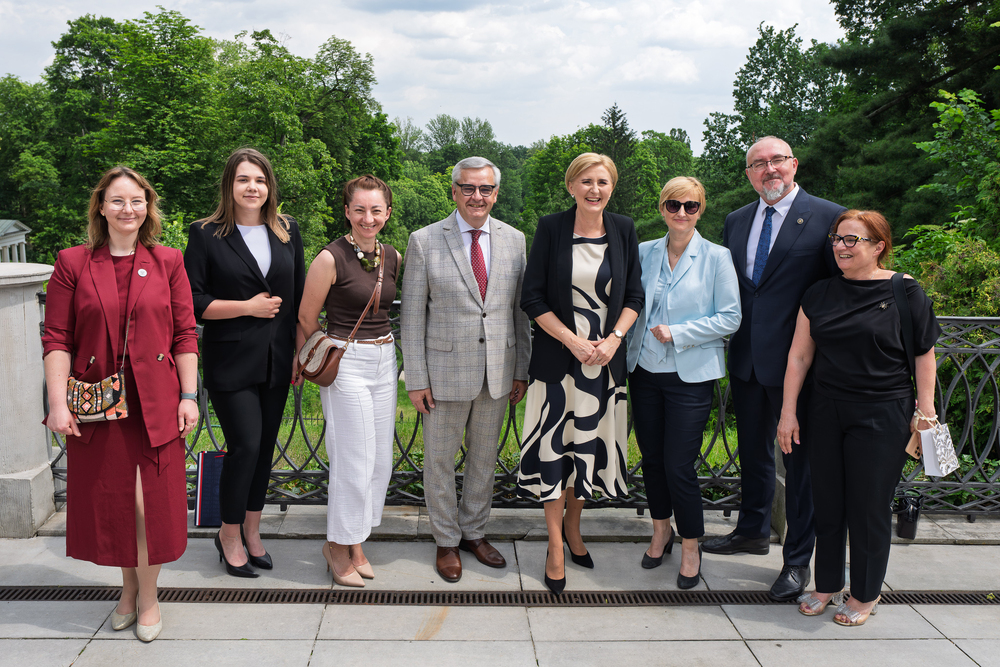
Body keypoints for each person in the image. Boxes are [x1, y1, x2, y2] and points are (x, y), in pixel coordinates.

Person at [43, 166, 199, 642]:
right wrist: (56, 403)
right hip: (100, 404)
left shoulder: (169, 260)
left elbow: (184, 333)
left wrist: (190, 395)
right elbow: (57, 338)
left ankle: (147, 597)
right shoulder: (73, 263)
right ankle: (128, 590)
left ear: (148, 208)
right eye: (117, 200)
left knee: (147, 503)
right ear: (101, 207)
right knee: (115, 503)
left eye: (137, 200)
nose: (128, 209)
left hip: (156, 402)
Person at [778, 210, 940, 625]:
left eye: (852, 240)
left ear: (878, 246)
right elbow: (799, 356)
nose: (840, 247)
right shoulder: (818, 293)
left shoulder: (905, 291)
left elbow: (924, 354)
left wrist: (926, 411)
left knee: (868, 507)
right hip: (826, 410)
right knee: (827, 503)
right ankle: (827, 584)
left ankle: (865, 594)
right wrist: (788, 412)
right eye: (837, 239)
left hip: (884, 412)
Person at [704, 136, 845, 602]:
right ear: (748, 174)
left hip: (800, 370)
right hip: (745, 359)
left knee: (799, 467)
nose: (769, 170)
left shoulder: (829, 217)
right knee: (755, 454)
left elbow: (840, 292)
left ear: (793, 164)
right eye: (758, 164)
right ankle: (751, 531)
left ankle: (797, 561)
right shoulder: (736, 220)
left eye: (776, 161)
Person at [517, 152, 643, 594]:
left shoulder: (624, 229)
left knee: (586, 451)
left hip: (604, 367)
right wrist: (572, 340)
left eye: (603, 182)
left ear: (612, 188)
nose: (595, 189)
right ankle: (554, 545)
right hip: (558, 366)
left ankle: (574, 528)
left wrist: (613, 340)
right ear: (571, 186)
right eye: (586, 181)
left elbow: (634, 296)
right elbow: (531, 298)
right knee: (555, 454)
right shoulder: (552, 228)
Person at [400, 156, 532, 583]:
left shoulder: (514, 240)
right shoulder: (423, 241)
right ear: (454, 191)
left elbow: (519, 312)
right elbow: (412, 316)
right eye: (469, 188)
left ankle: (475, 532)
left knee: (483, 459)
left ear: (496, 193)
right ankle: (445, 541)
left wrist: (521, 369)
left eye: (486, 189)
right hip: (442, 374)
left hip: (498, 370)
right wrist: (415, 378)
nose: (478, 197)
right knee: (438, 461)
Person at [184, 148, 305, 578]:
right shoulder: (205, 234)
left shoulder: (288, 230)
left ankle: (253, 532)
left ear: (269, 186)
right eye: (243, 179)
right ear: (229, 185)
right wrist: (245, 307)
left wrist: (298, 353)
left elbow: (298, 299)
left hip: (276, 361)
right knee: (246, 446)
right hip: (231, 361)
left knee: (264, 450)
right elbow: (192, 303)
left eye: (259, 179)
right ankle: (228, 534)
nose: (252, 187)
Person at [626, 177, 741, 589]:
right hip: (643, 372)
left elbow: (731, 317)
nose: (681, 213)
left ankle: (691, 544)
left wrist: (680, 331)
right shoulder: (642, 252)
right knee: (653, 460)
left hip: (691, 377)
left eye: (690, 206)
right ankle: (661, 532)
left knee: (679, 465)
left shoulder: (717, 257)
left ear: (701, 210)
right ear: (662, 209)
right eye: (673, 205)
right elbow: (628, 304)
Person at [297, 175, 401, 587]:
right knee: (353, 459)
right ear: (346, 211)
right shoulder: (330, 257)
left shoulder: (391, 255)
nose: (368, 217)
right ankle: (337, 546)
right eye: (359, 209)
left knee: (379, 462)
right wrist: (316, 361)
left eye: (376, 210)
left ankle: (357, 540)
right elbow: (307, 318)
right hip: (348, 360)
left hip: (385, 357)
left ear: (387, 213)